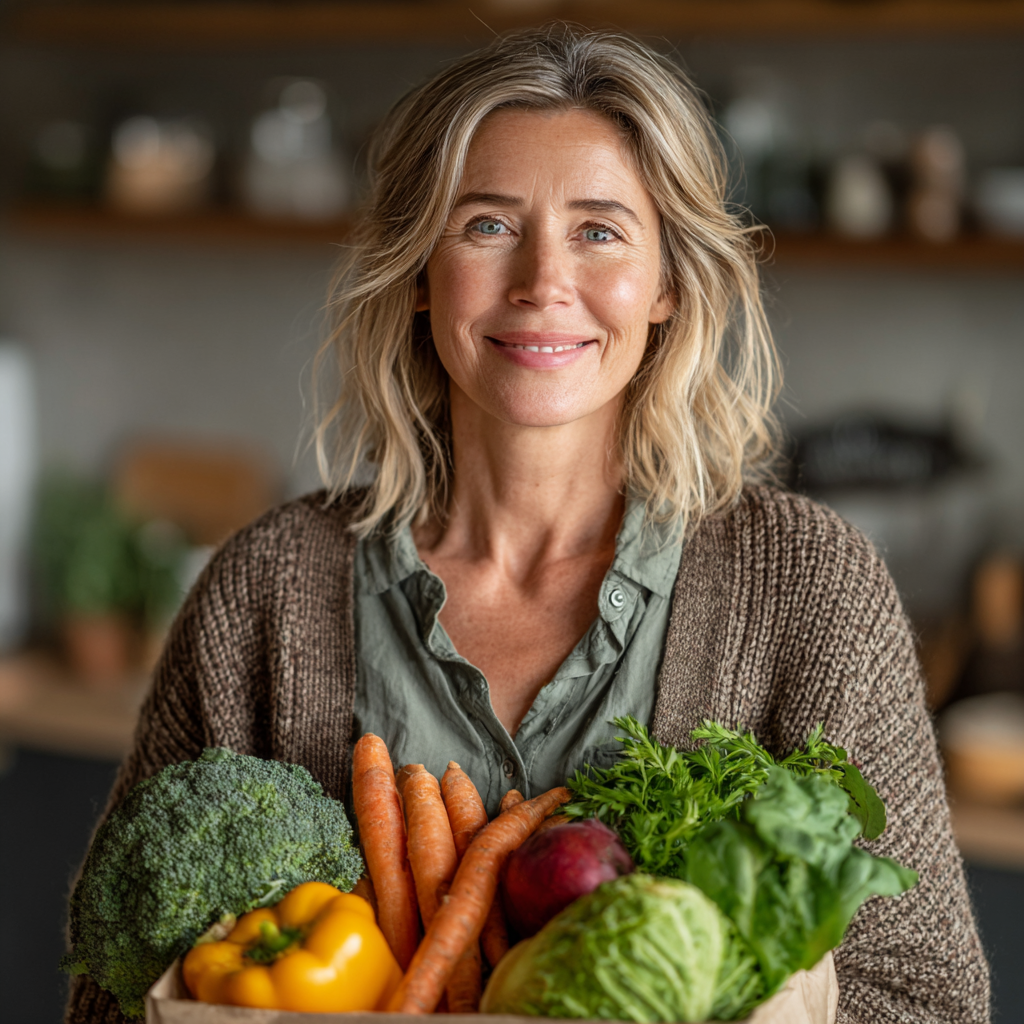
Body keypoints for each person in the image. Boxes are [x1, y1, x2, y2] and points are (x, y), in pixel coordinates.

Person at [66, 25, 988, 1024]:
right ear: (419, 271)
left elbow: (924, 997)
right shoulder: (265, 586)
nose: (543, 281)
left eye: (599, 230)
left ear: (669, 282)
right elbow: (107, 995)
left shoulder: (812, 584)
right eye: (488, 226)